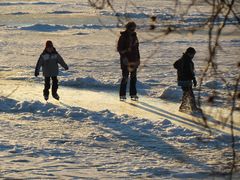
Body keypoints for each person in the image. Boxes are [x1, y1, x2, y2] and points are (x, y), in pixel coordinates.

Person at [117, 21, 140, 101]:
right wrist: (125, 56)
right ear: (128, 28)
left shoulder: (134, 36)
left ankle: (133, 94)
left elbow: (137, 49)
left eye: (134, 28)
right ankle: (122, 95)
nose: (133, 30)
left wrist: (138, 59)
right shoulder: (123, 37)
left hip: (134, 61)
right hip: (126, 61)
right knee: (125, 78)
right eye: (132, 28)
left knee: (134, 78)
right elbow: (120, 49)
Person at [173, 47, 200, 113]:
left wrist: (181, 71)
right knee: (190, 94)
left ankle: (184, 107)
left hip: (182, 79)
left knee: (186, 94)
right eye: (192, 54)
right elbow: (189, 71)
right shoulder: (187, 60)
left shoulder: (183, 59)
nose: (193, 56)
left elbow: (175, 65)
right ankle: (192, 108)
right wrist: (193, 79)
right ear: (189, 53)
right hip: (186, 80)